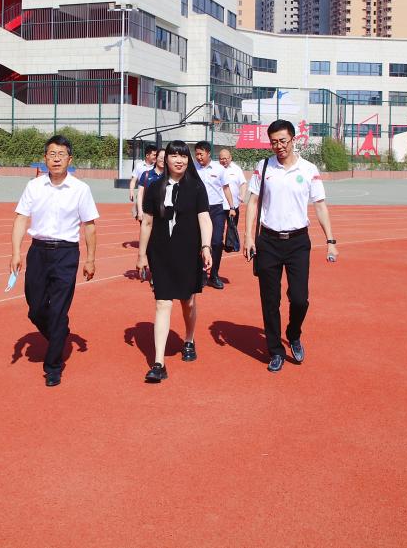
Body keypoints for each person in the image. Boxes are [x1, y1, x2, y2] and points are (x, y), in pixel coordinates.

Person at [244, 120, 338, 373]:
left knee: (299, 299)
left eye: (283, 141)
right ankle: (275, 350)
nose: (279, 146)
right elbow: (252, 203)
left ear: (293, 139)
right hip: (268, 241)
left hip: (298, 242)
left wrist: (330, 241)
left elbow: (320, 205)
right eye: (274, 142)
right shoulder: (263, 167)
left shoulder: (308, 169)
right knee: (270, 300)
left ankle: (293, 333)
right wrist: (249, 237)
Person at [11, 135, 99, 387]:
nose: (56, 159)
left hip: (66, 254)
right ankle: (59, 334)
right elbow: (20, 218)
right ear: (45, 158)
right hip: (38, 252)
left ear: (70, 159)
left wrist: (90, 260)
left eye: (61, 154)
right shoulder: (34, 186)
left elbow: (90, 226)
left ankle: (53, 366)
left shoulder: (81, 189)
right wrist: (16, 252)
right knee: (36, 308)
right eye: (52, 154)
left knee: (59, 310)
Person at [136, 140, 213, 383]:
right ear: (165, 159)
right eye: (174, 156)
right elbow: (147, 222)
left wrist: (206, 246)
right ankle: (159, 363)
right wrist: (141, 255)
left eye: (183, 156)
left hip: (189, 252)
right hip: (160, 253)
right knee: (162, 302)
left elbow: (204, 218)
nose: (179, 160)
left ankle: (188, 339)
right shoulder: (155, 187)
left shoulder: (196, 187)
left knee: (187, 301)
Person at [193, 141, 234, 289]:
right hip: (197, 210)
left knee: (216, 242)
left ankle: (214, 275)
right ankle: (201, 274)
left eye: (201, 154)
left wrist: (232, 207)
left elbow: (226, 188)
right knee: (199, 242)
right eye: (196, 154)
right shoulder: (192, 169)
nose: (198, 157)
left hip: (216, 210)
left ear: (208, 153)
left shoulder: (219, 169)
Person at [135, 148, 165, 221]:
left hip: (163, 214)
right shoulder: (146, 174)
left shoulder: (169, 176)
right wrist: (140, 211)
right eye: (161, 158)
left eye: (165, 158)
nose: (163, 160)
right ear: (155, 159)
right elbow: (140, 194)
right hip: (147, 212)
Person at [128, 144, 158, 211]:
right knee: (140, 214)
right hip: (142, 196)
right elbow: (133, 180)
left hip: (155, 197)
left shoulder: (158, 166)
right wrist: (131, 191)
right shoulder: (139, 165)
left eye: (157, 155)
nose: (156, 157)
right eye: (154, 155)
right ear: (147, 155)